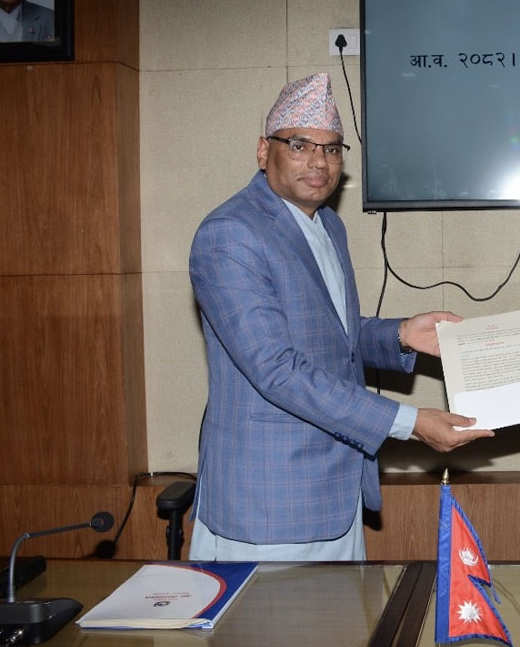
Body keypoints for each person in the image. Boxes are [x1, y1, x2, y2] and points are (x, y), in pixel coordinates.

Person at [188, 73, 494, 561]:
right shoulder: (231, 233)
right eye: (300, 145)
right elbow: (277, 369)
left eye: (332, 149)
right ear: (264, 151)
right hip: (269, 504)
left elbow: (326, 335)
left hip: (338, 489)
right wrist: (410, 422)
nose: (319, 162)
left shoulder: (327, 224)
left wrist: (400, 335)